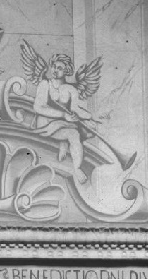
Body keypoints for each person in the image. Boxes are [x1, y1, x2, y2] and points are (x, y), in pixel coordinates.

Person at [31, 53, 101, 184]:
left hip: (63, 125)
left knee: (75, 133)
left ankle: (77, 168)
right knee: (71, 132)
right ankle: (63, 143)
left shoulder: (70, 89)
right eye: (54, 66)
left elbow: (75, 109)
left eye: (59, 68)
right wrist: (63, 115)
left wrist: (90, 117)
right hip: (45, 124)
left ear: (67, 71)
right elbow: (39, 107)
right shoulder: (45, 84)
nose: (55, 70)